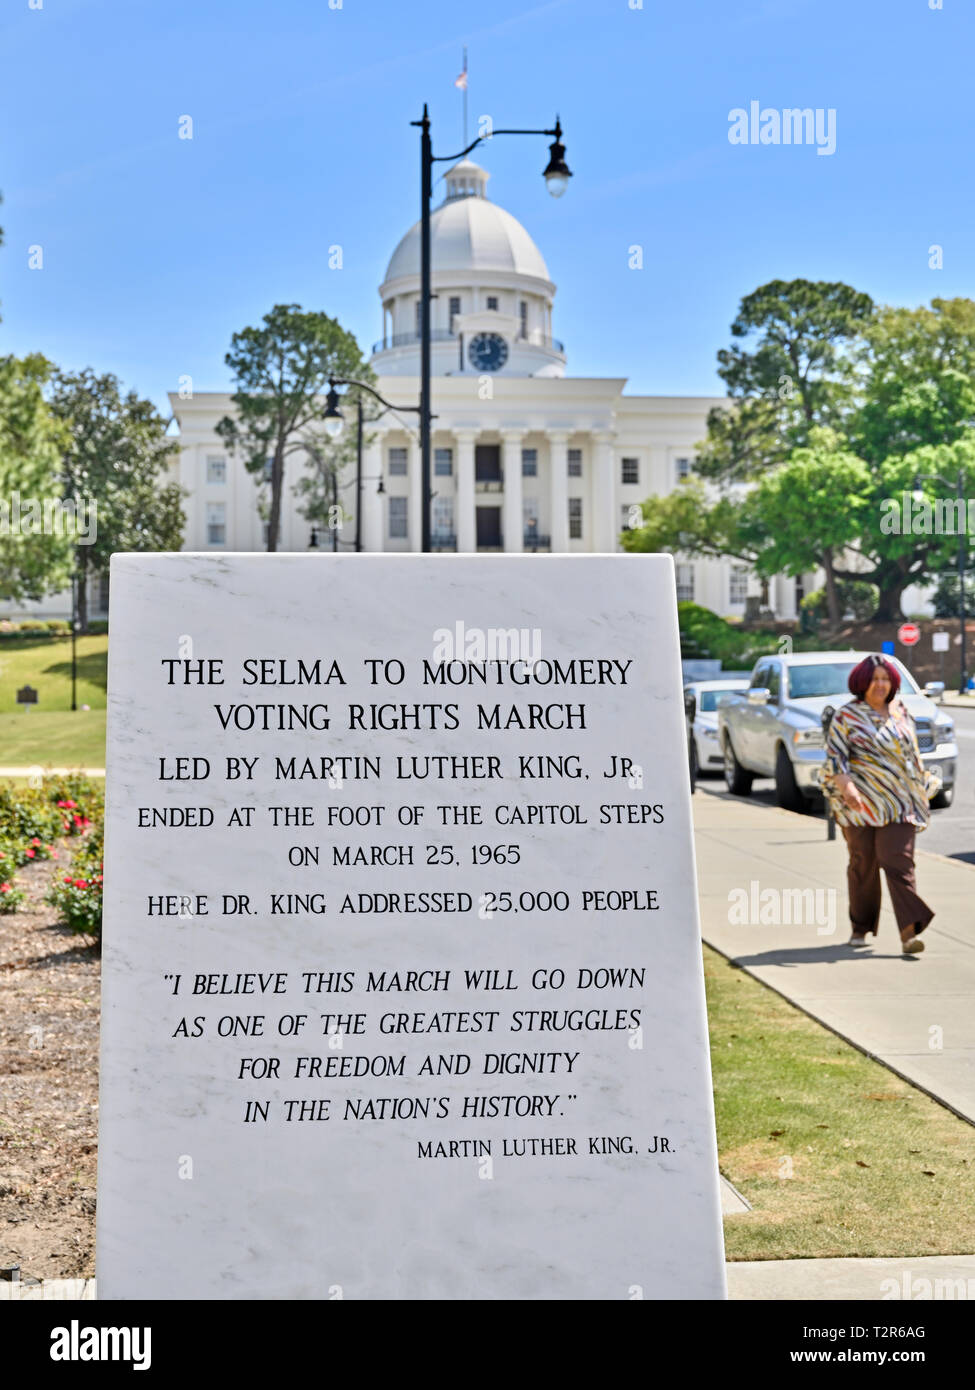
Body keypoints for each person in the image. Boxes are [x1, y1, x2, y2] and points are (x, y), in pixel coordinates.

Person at [820, 653, 940, 955]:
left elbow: (913, 756)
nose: (880, 685)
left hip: (900, 803)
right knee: (863, 866)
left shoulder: (901, 712)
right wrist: (848, 789)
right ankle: (860, 928)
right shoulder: (847, 716)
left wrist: (922, 785)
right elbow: (836, 757)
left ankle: (909, 934)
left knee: (898, 862)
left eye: (886, 679)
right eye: (875, 679)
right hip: (858, 806)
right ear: (862, 682)